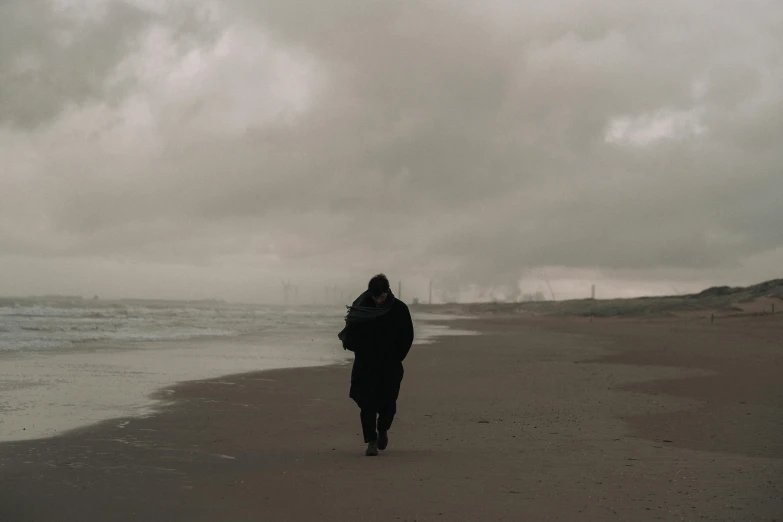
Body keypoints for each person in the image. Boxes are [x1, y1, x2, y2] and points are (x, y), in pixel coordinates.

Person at [338, 274, 414, 456]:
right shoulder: (362, 307)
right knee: (367, 403)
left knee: (389, 401)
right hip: (366, 363)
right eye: (376, 296)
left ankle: (383, 429)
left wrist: (397, 357)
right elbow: (352, 331)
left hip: (390, 364)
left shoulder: (399, 309)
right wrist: (359, 348)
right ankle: (371, 441)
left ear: (388, 291)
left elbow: (407, 336)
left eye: (382, 296)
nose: (379, 300)